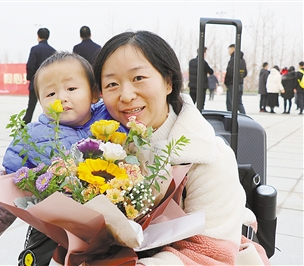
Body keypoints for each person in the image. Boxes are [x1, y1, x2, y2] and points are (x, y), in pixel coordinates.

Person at [94, 30, 269, 265]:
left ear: (168, 82)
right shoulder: (105, 155)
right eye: (112, 84)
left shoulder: (210, 158)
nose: (126, 95)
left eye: (138, 78)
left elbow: (209, 254)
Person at [0, 52, 127, 266]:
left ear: (94, 93)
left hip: (114, 224)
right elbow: (8, 182)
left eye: (71, 89)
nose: (61, 98)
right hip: (53, 232)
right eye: (50, 93)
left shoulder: (112, 117)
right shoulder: (34, 138)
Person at [22, 28, 56, 125]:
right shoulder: (53, 51)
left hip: (36, 82)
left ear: (38, 36)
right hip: (49, 84)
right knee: (50, 106)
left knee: (31, 107)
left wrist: (30, 78)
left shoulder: (35, 49)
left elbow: (30, 65)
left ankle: (23, 128)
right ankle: (52, 126)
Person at [224, 44, 247, 114]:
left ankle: (231, 118)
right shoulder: (242, 60)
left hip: (232, 84)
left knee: (230, 103)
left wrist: (226, 82)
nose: (229, 52)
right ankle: (244, 117)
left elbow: (229, 72)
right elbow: (245, 73)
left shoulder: (233, 60)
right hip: (240, 84)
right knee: (239, 103)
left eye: (229, 50)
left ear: (233, 49)